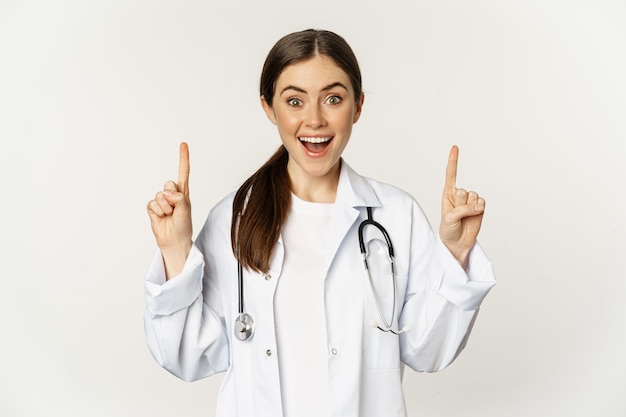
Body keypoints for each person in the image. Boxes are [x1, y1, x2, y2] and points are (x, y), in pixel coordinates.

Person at [144, 29, 496, 417]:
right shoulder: (234, 217)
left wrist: (457, 252)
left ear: (358, 106)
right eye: (294, 101)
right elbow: (189, 358)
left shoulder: (395, 216)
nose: (314, 119)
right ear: (269, 108)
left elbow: (428, 352)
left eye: (333, 98)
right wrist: (175, 251)